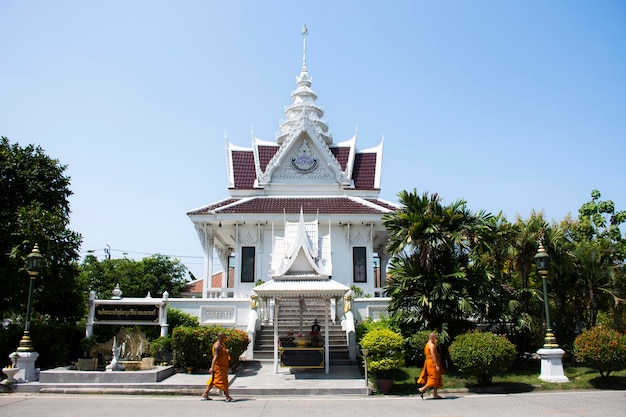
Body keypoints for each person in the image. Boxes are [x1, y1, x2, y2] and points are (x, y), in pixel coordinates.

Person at [201, 332, 234, 402]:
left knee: (213, 381)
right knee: (223, 382)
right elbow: (215, 358)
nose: (226, 339)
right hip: (218, 367)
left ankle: (205, 394)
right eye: (225, 337)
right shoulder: (217, 346)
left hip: (223, 366)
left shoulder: (222, 344)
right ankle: (227, 396)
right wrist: (212, 367)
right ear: (221, 338)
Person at [417, 332, 444, 399]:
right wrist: (436, 365)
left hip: (429, 362)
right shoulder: (431, 345)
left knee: (437, 378)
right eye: (435, 338)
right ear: (432, 338)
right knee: (433, 379)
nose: (436, 339)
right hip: (432, 363)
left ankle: (435, 394)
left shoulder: (427, 344)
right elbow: (433, 356)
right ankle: (422, 389)